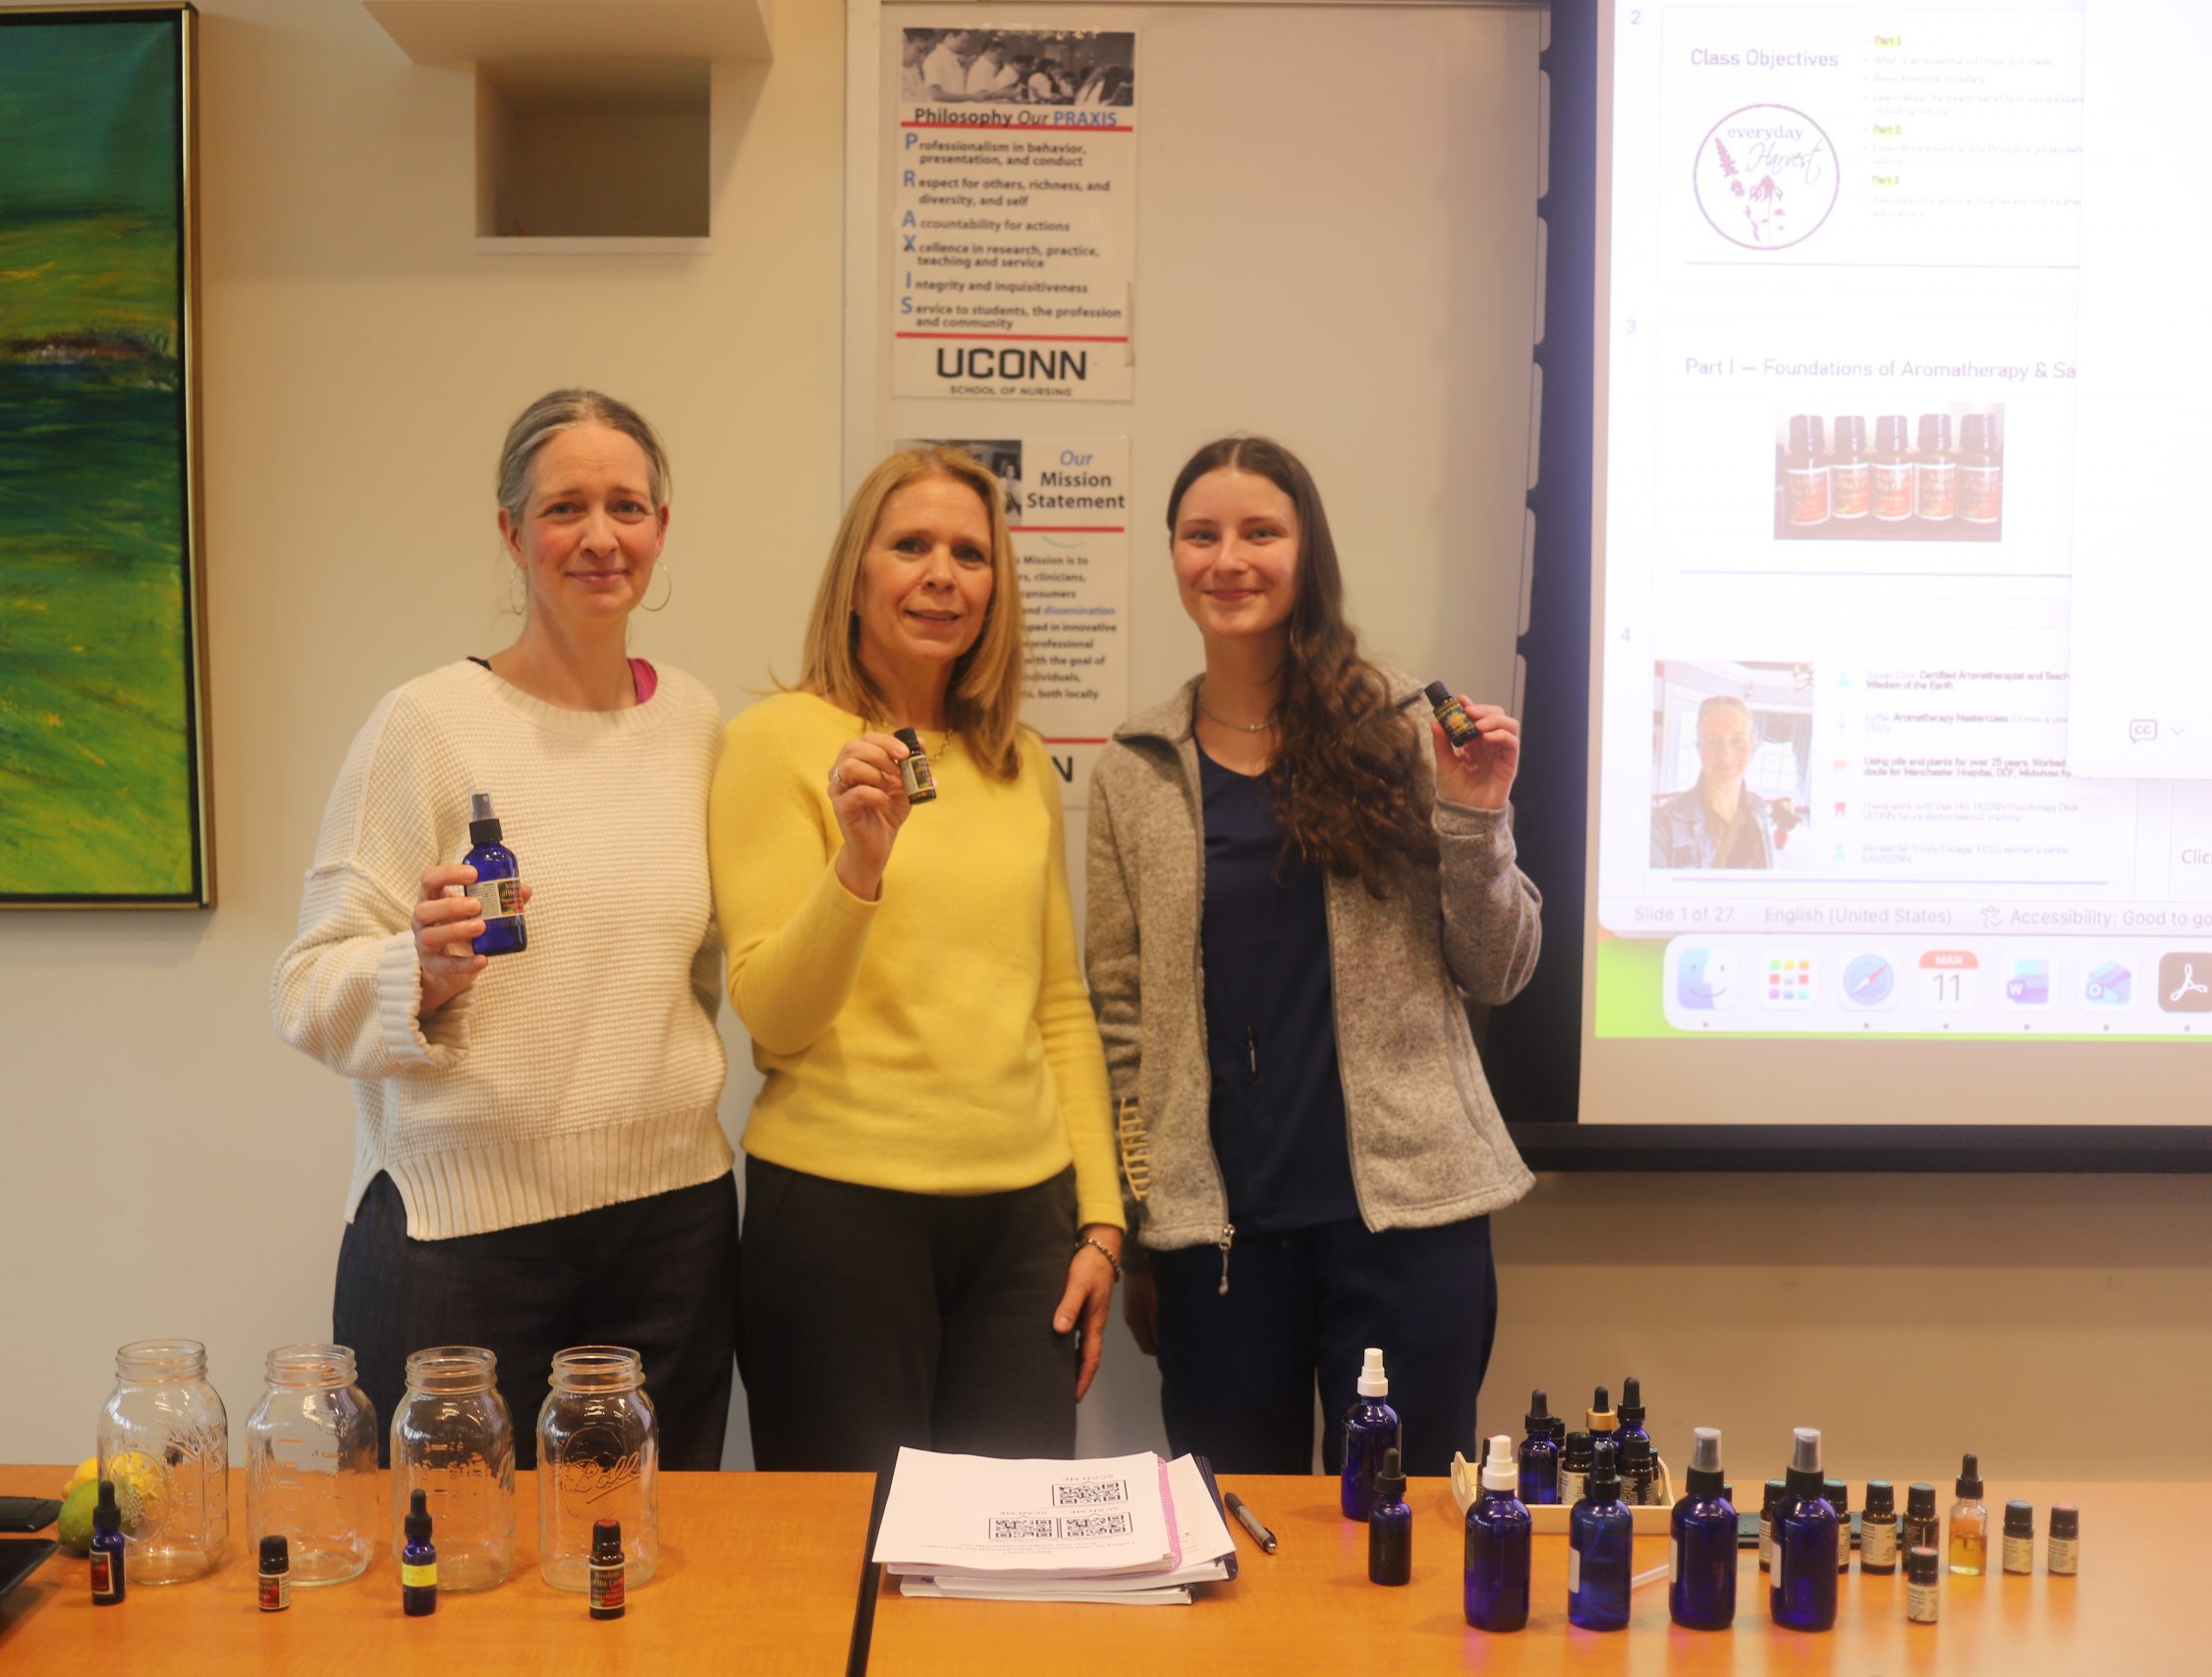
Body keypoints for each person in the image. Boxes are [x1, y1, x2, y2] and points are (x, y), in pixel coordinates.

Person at [270, 389, 738, 1470]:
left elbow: (692, 974)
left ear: (661, 527)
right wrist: (417, 974)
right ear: (510, 531)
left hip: (673, 1233)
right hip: (455, 1242)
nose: (598, 536)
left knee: (640, 1578)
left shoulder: (697, 727)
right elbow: (305, 985)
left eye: (626, 506)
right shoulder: (426, 724)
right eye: (565, 507)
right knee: (449, 1584)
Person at [1083, 435, 1540, 1478]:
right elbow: (1119, 1013)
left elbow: (1500, 969)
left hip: (1410, 1226)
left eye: (1260, 532)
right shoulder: (1134, 768)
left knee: (1404, 1538)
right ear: (1171, 556)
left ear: (1306, 551)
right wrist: (1145, 1208)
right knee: (1237, 1549)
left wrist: (1478, 818)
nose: (1228, 559)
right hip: (1220, 1243)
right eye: (1201, 535)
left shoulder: (1404, 727)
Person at [708, 445, 1124, 1471]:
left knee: (1008, 1571)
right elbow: (773, 1013)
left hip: (1024, 1227)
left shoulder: (1013, 758)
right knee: (850, 1569)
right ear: (857, 573)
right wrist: (858, 864)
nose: (942, 573)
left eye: (969, 553)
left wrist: (1103, 1222)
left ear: (996, 588)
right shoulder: (774, 742)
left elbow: (1058, 1007)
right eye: (910, 546)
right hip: (838, 1220)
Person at [1648, 693, 1774, 868]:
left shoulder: (1759, 808)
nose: (1725, 754)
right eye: (1712, 742)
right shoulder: (1661, 825)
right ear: (1699, 748)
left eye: (1737, 740)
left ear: (1752, 745)